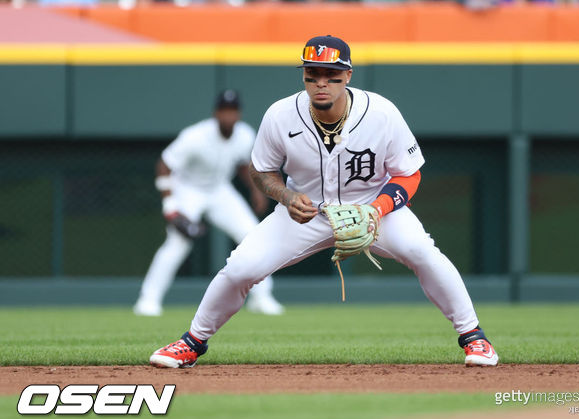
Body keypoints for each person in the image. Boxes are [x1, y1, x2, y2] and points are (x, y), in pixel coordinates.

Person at [148, 35, 498, 368]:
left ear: (347, 75)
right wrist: (284, 195)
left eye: (331, 75)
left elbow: (409, 174)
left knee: (423, 252)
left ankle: (474, 337)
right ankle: (192, 342)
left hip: (372, 207)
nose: (321, 83)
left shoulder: (382, 113)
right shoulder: (281, 115)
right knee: (240, 268)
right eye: (312, 75)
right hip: (306, 211)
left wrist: (377, 209)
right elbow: (260, 172)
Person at [133, 90, 285, 317]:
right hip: (188, 189)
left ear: (239, 114)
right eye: (224, 111)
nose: (228, 116)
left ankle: (262, 298)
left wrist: (257, 192)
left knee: (252, 235)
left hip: (219, 189)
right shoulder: (195, 136)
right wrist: (170, 205)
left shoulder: (244, 135)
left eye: (233, 111)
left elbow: (244, 165)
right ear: (216, 113)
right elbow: (164, 164)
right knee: (178, 244)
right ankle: (148, 300)